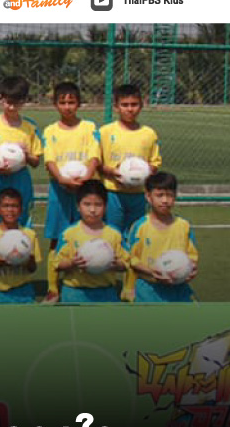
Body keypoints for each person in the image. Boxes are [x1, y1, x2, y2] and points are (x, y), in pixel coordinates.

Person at [99, 83, 161, 302]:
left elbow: (155, 163)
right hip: (112, 192)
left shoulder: (148, 134)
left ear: (141, 106)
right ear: (116, 107)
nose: (130, 109)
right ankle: (107, 281)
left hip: (137, 194)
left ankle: (130, 284)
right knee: (111, 236)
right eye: (125, 105)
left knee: (134, 237)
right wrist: (112, 171)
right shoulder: (106, 132)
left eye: (134, 104)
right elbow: (97, 162)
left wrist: (146, 172)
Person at [41, 82, 101, 304]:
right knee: (57, 238)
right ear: (55, 104)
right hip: (60, 190)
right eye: (62, 102)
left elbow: (94, 156)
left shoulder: (89, 127)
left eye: (71, 102)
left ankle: (86, 281)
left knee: (89, 236)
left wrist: (86, 179)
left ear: (79, 103)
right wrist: (61, 179)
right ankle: (52, 288)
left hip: (86, 191)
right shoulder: (50, 131)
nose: (67, 106)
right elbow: (50, 160)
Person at [125, 172, 198, 303]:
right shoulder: (140, 227)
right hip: (148, 291)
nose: (165, 200)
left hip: (179, 289)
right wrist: (152, 272)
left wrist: (191, 270)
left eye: (169, 195)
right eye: (159, 195)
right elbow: (131, 259)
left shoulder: (184, 226)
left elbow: (192, 256)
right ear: (148, 197)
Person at [0, 76, 41, 230]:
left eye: (17, 103)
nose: (12, 107)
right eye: (9, 102)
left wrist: (26, 154)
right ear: (0, 99)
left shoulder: (30, 127)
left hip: (20, 180)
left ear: (24, 101)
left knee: (20, 224)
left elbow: (36, 162)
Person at [55, 180, 128, 303]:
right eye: (87, 204)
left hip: (106, 292)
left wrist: (116, 265)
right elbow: (57, 264)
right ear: (78, 206)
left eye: (98, 205)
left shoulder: (114, 234)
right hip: (75, 293)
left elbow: (126, 264)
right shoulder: (69, 234)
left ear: (105, 207)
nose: (93, 210)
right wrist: (72, 263)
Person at [0, 188, 41, 304]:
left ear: (21, 210)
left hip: (23, 291)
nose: (10, 210)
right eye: (6, 206)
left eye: (14, 206)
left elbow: (32, 269)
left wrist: (26, 260)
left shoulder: (29, 235)